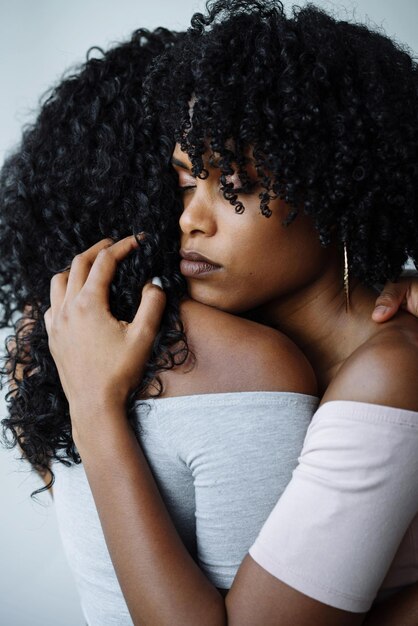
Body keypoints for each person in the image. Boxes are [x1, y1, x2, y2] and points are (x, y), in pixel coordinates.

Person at [2, 4, 418, 626]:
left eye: (239, 186)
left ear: (338, 191)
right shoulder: (268, 347)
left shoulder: (389, 372)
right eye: (185, 183)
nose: (191, 219)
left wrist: (95, 407)